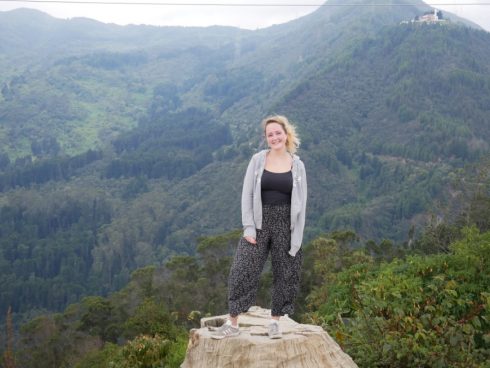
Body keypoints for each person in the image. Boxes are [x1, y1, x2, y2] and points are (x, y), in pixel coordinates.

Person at [212, 115, 307, 340]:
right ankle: (232, 322)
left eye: (278, 133)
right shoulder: (257, 160)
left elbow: (302, 202)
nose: (274, 137)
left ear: (286, 134)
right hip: (259, 221)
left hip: (286, 223)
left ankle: (275, 321)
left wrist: (297, 235)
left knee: (286, 272)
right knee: (242, 269)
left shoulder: (298, 165)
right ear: (266, 138)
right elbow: (247, 194)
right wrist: (248, 227)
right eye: (270, 134)